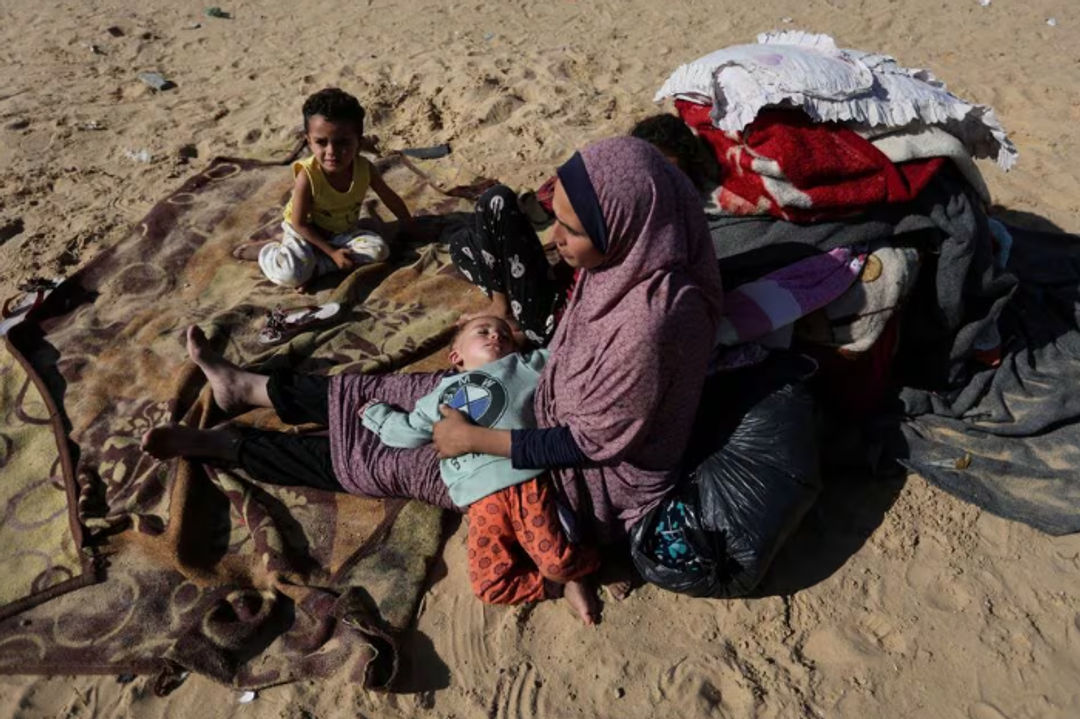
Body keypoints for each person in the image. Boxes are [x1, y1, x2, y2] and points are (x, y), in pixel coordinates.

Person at [140, 317, 600, 623]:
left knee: (362, 464)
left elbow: (571, 348)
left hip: (489, 475)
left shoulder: (529, 365)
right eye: (483, 331)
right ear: (455, 356)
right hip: (431, 420)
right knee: (354, 397)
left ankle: (224, 443)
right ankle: (241, 389)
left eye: (502, 331)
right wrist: (377, 415)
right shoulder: (439, 389)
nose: (495, 335)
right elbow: (404, 427)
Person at [435, 136, 724, 544]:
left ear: (626, 224)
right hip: (550, 416)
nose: (553, 238)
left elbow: (588, 444)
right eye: (556, 218)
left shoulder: (653, 323)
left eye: (572, 229)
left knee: (391, 459)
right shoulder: (626, 260)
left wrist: (471, 439)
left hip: (596, 477)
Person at [448, 114, 715, 346]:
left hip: (557, 321)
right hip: (555, 288)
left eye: (666, 170)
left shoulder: (661, 223)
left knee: (497, 201)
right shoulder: (615, 192)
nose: (653, 175)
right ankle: (511, 304)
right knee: (462, 244)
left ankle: (505, 309)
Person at [243, 87, 415, 291]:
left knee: (379, 251)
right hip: (305, 232)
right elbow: (298, 223)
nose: (331, 152)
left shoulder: (364, 169)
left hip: (341, 232)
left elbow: (390, 198)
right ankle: (268, 252)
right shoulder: (307, 176)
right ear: (309, 141)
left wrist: (409, 224)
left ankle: (316, 269)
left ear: (358, 143)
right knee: (290, 273)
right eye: (321, 143)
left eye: (342, 143)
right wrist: (333, 253)